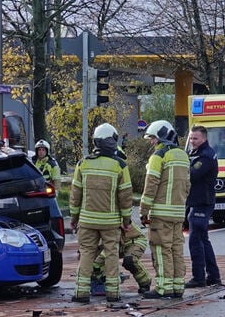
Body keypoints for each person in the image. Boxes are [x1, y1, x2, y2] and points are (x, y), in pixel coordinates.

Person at [69, 123, 133, 303]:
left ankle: (81, 292)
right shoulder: (120, 165)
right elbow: (126, 196)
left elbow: (75, 195)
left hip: (87, 220)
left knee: (87, 253)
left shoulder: (83, 163)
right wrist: (127, 220)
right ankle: (113, 293)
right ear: (112, 141)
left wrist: (74, 218)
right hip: (110, 222)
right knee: (111, 254)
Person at [139, 120, 191, 299]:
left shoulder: (158, 156)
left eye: (153, 138)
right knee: (176, 249)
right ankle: (178, 286)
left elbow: (151, 185)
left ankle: (164, 287)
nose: (152, 142)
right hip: (178, 213)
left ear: (162, 137)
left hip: (161, 214)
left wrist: (143, 210)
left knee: (161, 250)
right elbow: (187, 185)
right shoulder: (183, 156)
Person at [185, 125, 221, 288]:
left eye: (196, 138)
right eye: (191, 138)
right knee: (203, 239)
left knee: (195, 240)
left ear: (204, 139)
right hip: (198, 201)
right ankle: (213, 276)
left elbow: (192, 175)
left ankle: (199, 277)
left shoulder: (205, 156)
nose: (192, 141)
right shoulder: (196, 153)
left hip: (202, 202)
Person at [90, 220, 151, 295]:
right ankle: (102, 281)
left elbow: (109, 248)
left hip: (133, 240)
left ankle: (145, 283)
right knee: (94, 262)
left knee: (129, 261)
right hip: (115, 243)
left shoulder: (111, 219)